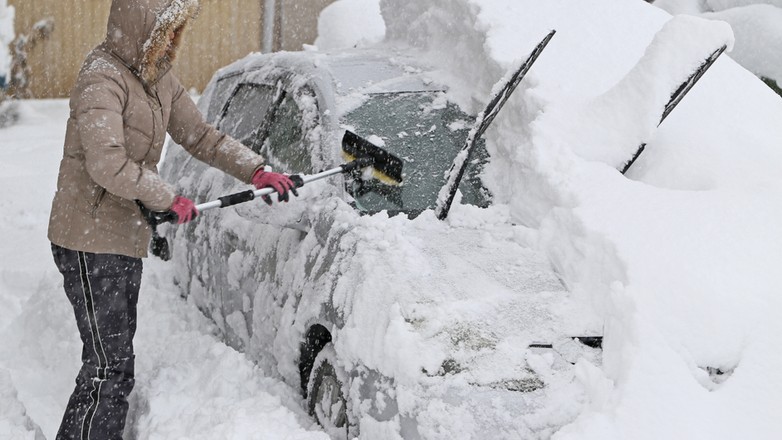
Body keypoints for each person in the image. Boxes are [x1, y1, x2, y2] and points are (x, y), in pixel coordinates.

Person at [47, 1, 295, 438]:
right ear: (140, 29)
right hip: (87, 240)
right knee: (109, 367)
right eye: (168, 32)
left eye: (178, 33)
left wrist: (256, 169)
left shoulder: (159, 79)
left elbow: (200, 136)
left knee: (113, 364)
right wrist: (167, 197)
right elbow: (106, 163)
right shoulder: (100, 77)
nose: (174, 43)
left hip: (124, 236)